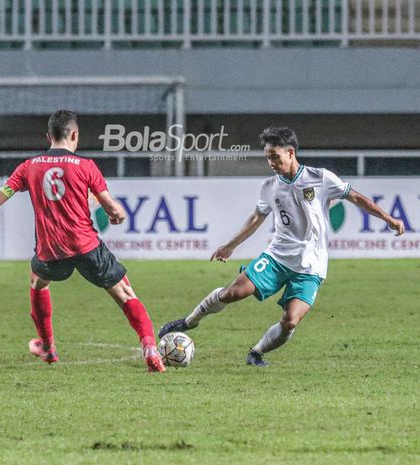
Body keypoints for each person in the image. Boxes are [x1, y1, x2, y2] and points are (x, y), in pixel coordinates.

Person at [0, 110, 165, 372]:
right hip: (87, 246)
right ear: (75, 135)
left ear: (48, 136)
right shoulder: (87, 166)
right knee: (125, 293)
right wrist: (118, 216)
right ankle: (149, 348)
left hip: (51, 251)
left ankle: (48, 347)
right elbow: (113, 210)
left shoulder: (28, 167)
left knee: (37, 281)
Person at [159, 126, 405, 366]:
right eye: (267, 157)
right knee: (232, 293)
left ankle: (256, 353)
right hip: (277, 257)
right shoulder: (269, 186)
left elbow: (357, 198)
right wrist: (230, 245)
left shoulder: (320, 178)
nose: (271, 162)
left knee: (290, 320)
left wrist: (388, 218)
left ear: (290, 153)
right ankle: (189, 322)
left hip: (310, 266)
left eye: (274, 157)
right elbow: (257, 218)